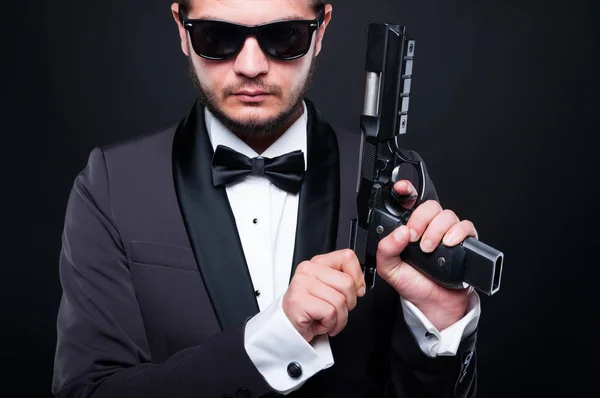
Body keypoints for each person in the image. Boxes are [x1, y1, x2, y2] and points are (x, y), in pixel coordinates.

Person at [51, 1, 481, 397]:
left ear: (321, 30)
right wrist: (274, 338)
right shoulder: (110, 183)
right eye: (216, 37)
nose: (251, 66)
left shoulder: (398, 187)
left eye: (284, 37)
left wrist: (438, 327)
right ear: (182, 30)